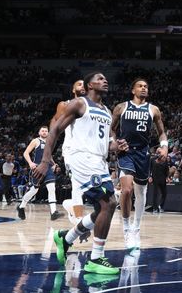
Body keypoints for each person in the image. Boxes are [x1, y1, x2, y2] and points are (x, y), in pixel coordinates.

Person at [33, 72, 122, 275]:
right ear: (89, 84)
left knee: (104, 209)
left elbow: (109, 144)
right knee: (108, 203)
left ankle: (66, 238)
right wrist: (46, 161)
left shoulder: (107, 111)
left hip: (99, 160)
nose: (104, 80)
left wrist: (119, 146)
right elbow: (54, 130)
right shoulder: (79, 104)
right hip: (80, 157)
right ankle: (96, 259)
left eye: (105, 78)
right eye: (99, 78)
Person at [111, 78, 168, 251]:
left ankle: (136, 228)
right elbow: (112, 129)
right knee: (126, 189)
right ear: (133, 90)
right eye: (140, 86)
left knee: (141, 192)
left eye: (146, 86)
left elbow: (162, 133)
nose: (143, 88)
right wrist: (114, 143)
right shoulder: (121, 107)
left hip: (144, 153)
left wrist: (164, 147)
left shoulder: (153, 110)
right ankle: (127, 229)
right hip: (126, 152)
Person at [54, 79, 87, 223]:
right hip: (71, 150)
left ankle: (70, 204)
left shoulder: (93, 107)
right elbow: (55, 124)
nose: (83, 86)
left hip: (89, 151)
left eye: (85, 84)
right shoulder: (65, 104)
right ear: (73, 90)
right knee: (77, 183)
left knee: (91, 186)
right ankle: (79, 220)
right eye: (79, 84)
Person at [17, 126, 62, 220]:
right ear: (39, 132)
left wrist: (54, 164)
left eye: (46, 131)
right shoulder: (36, 141)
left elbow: (49, 156)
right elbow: (26, 153)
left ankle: (53, 212)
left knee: (52, 188)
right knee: (34, 190)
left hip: (48, 168)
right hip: (38, 167)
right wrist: (30, 163)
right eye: (43, 131)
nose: (45, 132)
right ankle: (21, 206)